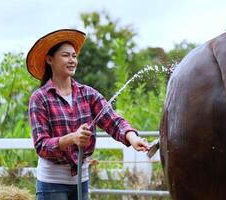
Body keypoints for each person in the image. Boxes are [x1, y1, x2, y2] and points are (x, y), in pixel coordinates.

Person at [27, 29, 149, 200]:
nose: (72, 60)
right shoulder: (40, 98)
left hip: (81, 181)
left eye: (74, 56)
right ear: (49, 59)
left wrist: (132, 138)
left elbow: (113, 121)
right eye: (65, 55)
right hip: (51, 185)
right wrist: (72, 138)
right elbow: (41, 145)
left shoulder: (88, 94)